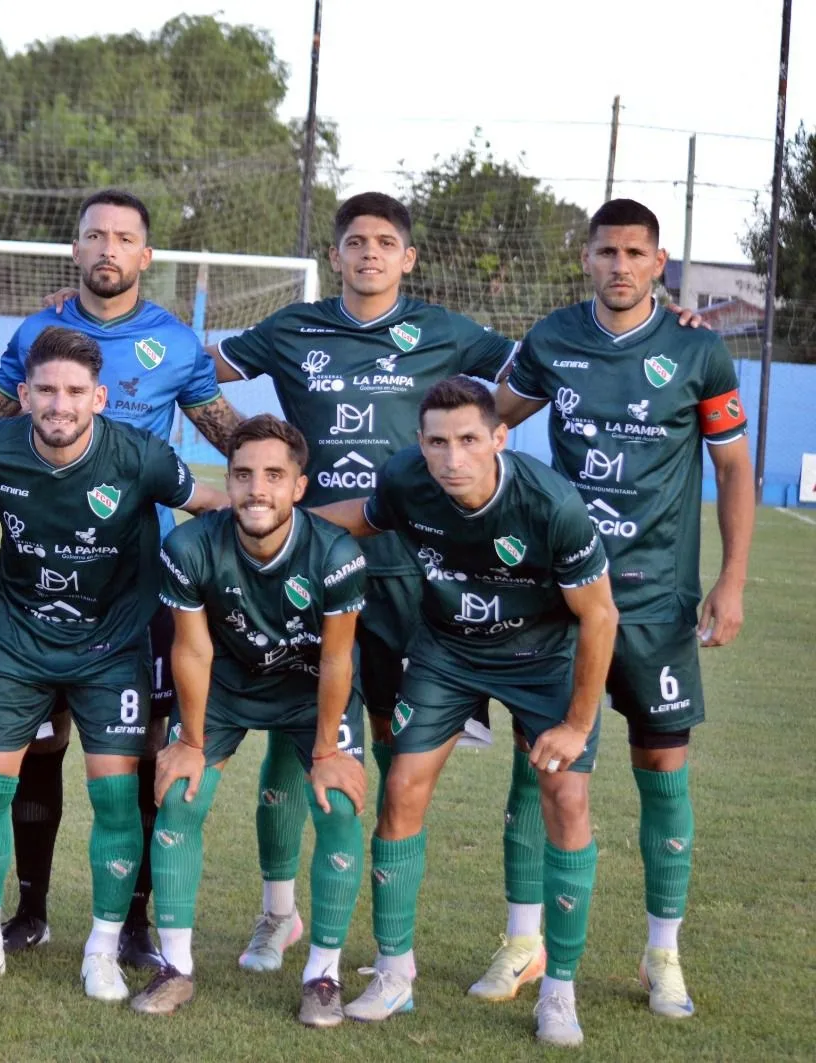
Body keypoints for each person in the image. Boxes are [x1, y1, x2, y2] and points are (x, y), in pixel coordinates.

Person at [204, 191, 700, 972]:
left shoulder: (446, 331)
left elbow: (548, 363)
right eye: (356, 241)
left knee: (396, 751)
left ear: (408, 257)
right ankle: (279, 913)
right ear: (335, 255)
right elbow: (192, 371)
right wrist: (256, 472)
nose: (369, 253)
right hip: (314, 563)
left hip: (418, 577)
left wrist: (664, 328)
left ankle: (446, 938)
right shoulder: (293, 328)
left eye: (385, 242)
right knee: (297, 737)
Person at [483, 198, 755, 1018]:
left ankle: (662, 953)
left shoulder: (698, 351)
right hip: (561, 594)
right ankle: (523, 942)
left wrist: (732, 580)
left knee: (663, 773)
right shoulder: (553, 339)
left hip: (656, 599)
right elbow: (487, 419)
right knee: (540, 767)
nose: (621, 266)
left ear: (659, 263)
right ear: (587, 258)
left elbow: (732, 468)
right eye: (607, 252)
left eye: (636, 253)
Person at [0, 188, 244, 968]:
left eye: (124, 237)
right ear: (76, 248)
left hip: (141, 583)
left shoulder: (176, 343)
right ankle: (29, 909)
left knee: (140, 750)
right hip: (43, 576)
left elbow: (229, 435)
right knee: (39, 744)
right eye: (95, 235)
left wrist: (286, 493)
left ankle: (131, 920)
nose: (108, 249)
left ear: (145, 255)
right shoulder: (37, 333)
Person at [314, 376, 618, 1047]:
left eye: (469, 440)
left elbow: (599, 615)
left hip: (541, 657)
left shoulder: (551, 504)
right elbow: (365, 516)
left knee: (566, 798)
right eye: (438, 442)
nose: (453, 458)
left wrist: (576, 724)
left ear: (499, 438)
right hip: (447, 651)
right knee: (401, 787)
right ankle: (394, 973)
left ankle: (559, 990)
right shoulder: (406, 479)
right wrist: (281, 517)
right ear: (420, 443)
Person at [0, 325, 226, 998]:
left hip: (112, 647)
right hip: (15, 642)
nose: (58, 405)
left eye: (73, 392)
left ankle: (102, 948)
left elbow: (209, 505)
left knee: (116, 798)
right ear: (24, 395)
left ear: (98, 397)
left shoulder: (142, 455)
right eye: (45, 390)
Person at [131, 414, 369, 1025]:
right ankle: (175, 968)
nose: (256, 489)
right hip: (228, 686)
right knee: (179, 796)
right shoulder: (190, 546)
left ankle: (323, 975)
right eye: (242, 475)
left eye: (273, 476)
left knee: (338, 805)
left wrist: (327, 751)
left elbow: (338, 658)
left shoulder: (336, 553)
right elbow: (192, 650)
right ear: (228, 480)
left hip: (309, 689)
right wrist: (190, 741)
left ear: (299, 486)